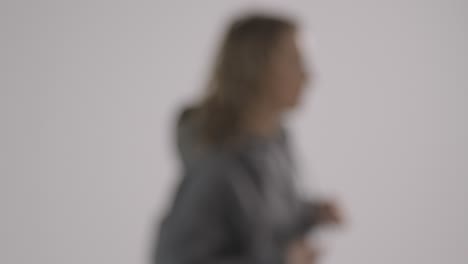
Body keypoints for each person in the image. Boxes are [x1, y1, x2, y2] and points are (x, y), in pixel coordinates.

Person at [152, 13, 343, 264]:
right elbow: (177, 259)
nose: (308, 76)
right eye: (295, 61)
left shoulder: (273, 144)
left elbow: (262, 224)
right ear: (258, 68)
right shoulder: (217, 161)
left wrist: (311, 214)